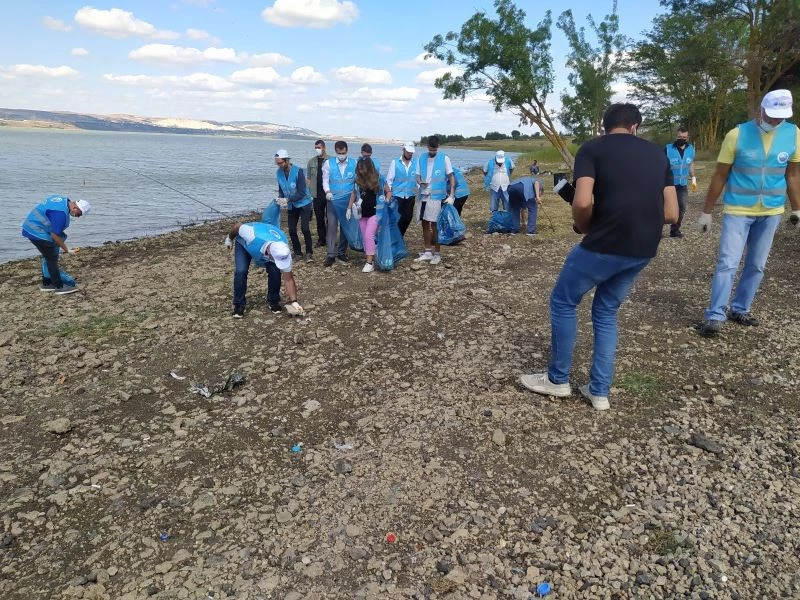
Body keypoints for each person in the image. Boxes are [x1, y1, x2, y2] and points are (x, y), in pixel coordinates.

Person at [519, 103, 678, 410]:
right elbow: (671, 213)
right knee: (606, 311)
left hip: (605, 243)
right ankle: (599, 391)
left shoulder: (592, 149)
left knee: (563, 301)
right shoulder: (659, 155)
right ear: (635, 127)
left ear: (605, 127)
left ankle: (557, 379)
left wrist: (586, 227)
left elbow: (581, 202)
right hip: (643, 248)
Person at [696, 89, 800, 337]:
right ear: (761, 109)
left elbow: (793, 175)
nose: (776, 120)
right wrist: (707, 211)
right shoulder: (737, 134)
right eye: (772, 115)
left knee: (756, 265)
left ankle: (740, 308)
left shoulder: (794, 133)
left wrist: (797, 208)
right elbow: (720, 174)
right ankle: (715, 315)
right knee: (727, 263)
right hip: (738, 210)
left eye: (781, 116)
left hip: (771, 210)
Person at [225, 221, 303, 318]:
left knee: (275, 272)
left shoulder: (283, 252)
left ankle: (273, 300)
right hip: (244, 244)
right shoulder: (251, 234)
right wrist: (229, 239)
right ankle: (238, 304)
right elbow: (237, 226)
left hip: (267, 239)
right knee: (241, 271)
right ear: (270, 254)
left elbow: (289, 279)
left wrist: (294, 302)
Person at [21, 195, 91, 294]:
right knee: (52, 258)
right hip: (36, 231)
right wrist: (66, 249)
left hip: (30, 226)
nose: (78, 216)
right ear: (75, 208)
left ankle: (47, 284)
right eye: (79, 214)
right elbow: (55, 235)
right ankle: (59, 287)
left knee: (47, 256)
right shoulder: (61, 214)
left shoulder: (62, 200)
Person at [415, 135, 455, 265]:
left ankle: (437, 253)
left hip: (437, 197)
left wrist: (451, 195)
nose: (432, 152)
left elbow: (451, 177)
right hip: (423, 195)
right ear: (427, 146)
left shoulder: (444, 158)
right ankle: (427, 251)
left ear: (438, 147)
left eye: (434, 150)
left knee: (435, 225)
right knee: (425, 223)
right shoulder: (421, 157)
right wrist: (420, 182)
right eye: (430, 149)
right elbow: (417, 175)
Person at [274, 149, 313, 262]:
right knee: (291, 230)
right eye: (277, 163)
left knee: (305, 228)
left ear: (287, 160)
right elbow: (281, 189)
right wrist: (280, 199)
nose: (279, 165)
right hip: (291, 205)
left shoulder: (298, 172)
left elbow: (302, 193)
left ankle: (309, 253)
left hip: (304, 203)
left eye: (281, 163)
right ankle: (298, 253)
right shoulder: (279, 173)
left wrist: (288, 199)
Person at [322, 141, 355, 266]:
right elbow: (325, 180)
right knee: (331, 226)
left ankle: (342, 252)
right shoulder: (328, 163)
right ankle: (330, 254)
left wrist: (356, 200)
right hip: (333, 200)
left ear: (347, 150)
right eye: (339, 153)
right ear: (336, 151)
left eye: (344, 153)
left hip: (347, 200)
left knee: (345, 226)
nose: (342, 155)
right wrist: (327, 192)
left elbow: (356, 183)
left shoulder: (354, 163)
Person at [347, 158, 381, 272]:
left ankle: (369, 263)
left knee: (369, 235)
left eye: (363, 169)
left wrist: (386, 202)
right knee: (364, 237)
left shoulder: (378, 179)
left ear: (369, 168)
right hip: (361, 214)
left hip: (375, 213)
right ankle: (371, 256)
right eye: (359, 169)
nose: (361, 171)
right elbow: (354, 193)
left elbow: (388, 191)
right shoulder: (358, 180)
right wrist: (349, 208)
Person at [665, 126, 697, 237]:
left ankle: (675, 230)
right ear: (676, 136)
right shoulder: (668, 149)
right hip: (668, 184)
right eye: (679, 137)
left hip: (682, 184)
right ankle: (657, 228)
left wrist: (693, 177)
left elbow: (691, 163)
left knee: (682, 207)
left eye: (684, 137)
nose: (681, 139)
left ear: (687, 137)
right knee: (663, 207)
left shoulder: (691, 149)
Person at [385, 142, 418, 236]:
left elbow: (418, 179)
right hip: (397, 195)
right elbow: (389, 180)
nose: (410, 154)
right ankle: (396, 238)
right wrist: (388, 195)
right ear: (403, 150)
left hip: (410, 195)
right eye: (408, 152)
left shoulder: (416, 163)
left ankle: (399, 236)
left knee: (407, 218)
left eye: (411, 152)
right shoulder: (395, 162)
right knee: (397, 219)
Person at [306, 139, 328, 248]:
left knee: (330, 218)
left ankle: (330, 238)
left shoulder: (331, 160)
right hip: (316, 194)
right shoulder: (311, 162)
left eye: (319, 147)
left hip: (328, 194)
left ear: (324, 148)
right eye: (316, 148)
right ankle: (321, 239)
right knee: (319, 218)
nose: (317, 149)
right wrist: (308, 194)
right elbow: (308, 178)